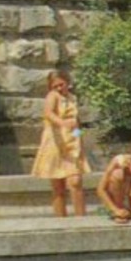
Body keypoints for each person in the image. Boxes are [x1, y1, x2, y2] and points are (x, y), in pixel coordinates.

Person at [31, 69, 86, 217]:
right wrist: (62, 123)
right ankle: (61, 220)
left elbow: (77, 122)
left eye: (61, 84)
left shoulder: (72, 98)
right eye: (55, 86)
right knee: (58, 185)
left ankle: (82, 219)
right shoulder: (52, 96)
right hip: (54, 142)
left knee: (75, 181)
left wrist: (78, 136)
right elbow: (48, 113)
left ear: (68, 82)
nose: (59, 88)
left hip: (71, 143)